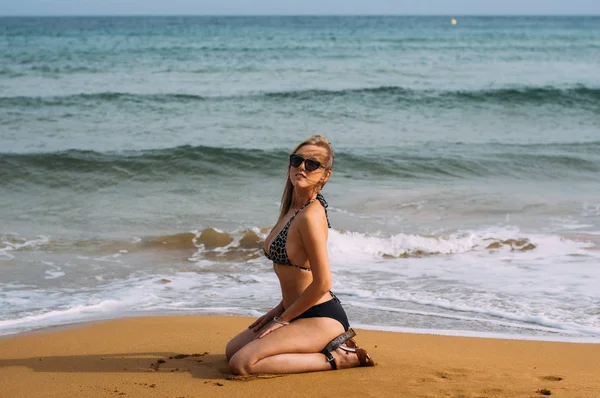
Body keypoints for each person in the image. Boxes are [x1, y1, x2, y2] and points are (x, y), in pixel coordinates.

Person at [226, 135, 375, 375]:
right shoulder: (292, 209)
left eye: (312, 164)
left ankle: (341, 357)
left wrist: (283, 320)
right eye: (297, 160)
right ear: (289, 166)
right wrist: (278, 311)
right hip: (293, 309)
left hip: (320, 315)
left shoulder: (310, 215)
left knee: (241, 363)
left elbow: (323, 282)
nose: (302, 167)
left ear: (326, 175)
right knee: (231, 350)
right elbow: (295, 278)